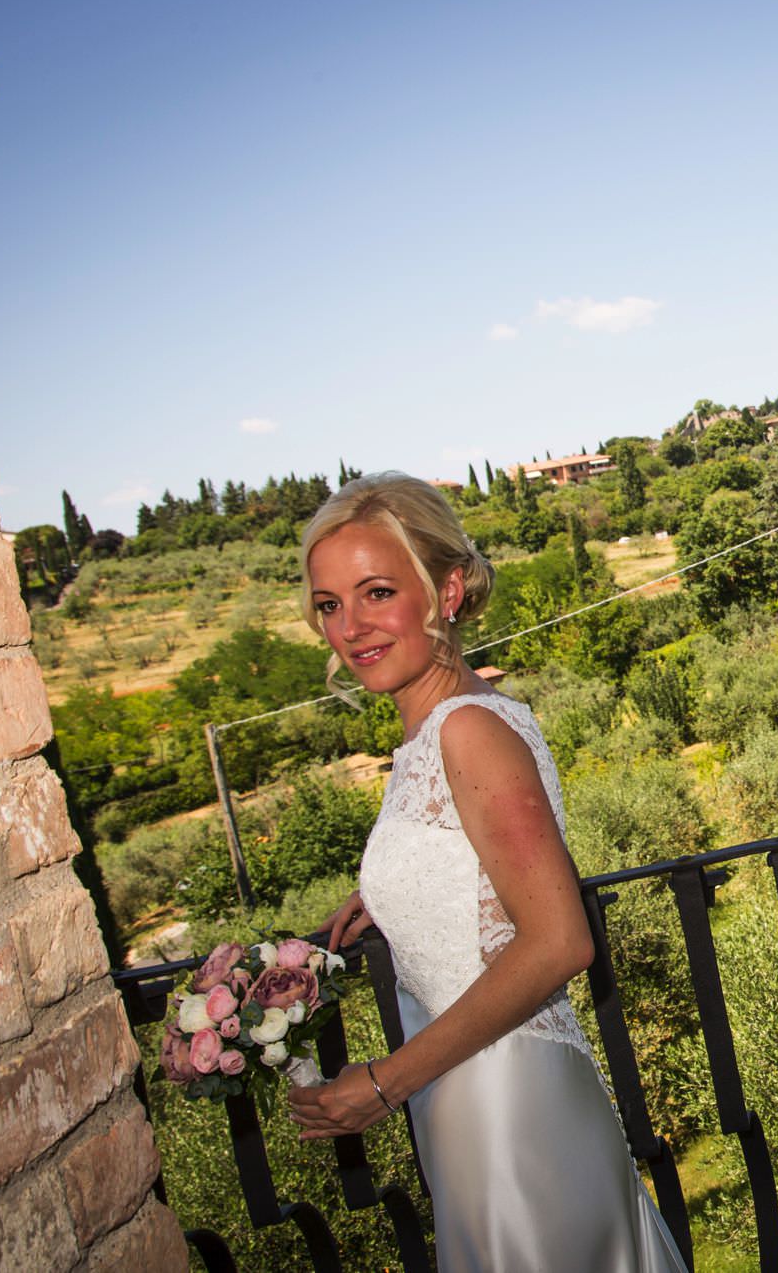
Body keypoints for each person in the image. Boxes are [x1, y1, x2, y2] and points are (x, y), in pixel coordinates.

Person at [286, 472, 685, 1273]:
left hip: (509, 1107)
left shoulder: (467, 731)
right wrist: (393, 891)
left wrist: (385, 1082)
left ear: (449, 589)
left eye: (376, 592)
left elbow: (561, 941)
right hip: (471, 1096)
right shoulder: (449, 723)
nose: (351, 626)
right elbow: (481, 855)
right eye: (330, 604)